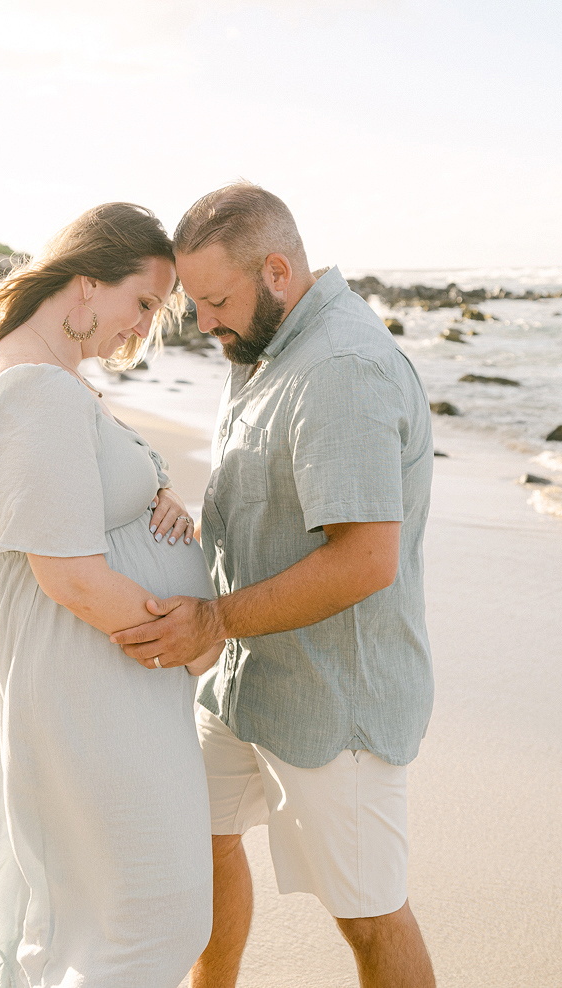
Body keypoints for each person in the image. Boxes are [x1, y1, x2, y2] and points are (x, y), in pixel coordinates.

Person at [111, 184, 438, 988]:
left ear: (279, 270)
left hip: (334, 702)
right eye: (195, 305)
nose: (207, 322)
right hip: (243, 680)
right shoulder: (264, 345)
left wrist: (212, 618)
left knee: (368, 917)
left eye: (217, 301)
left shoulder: (342, 369)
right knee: (203, 842)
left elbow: (365, 560)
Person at [0, 202, 223, 988]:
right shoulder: (37, 389)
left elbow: (75, 502)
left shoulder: (44, 381)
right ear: (84, 285)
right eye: (142, 303)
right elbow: (69, 575)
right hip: (94, 685)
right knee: (152, 917)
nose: (143, 330)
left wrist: (156, 495)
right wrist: (195, 637)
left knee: (93, 919)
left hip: (102, 681)